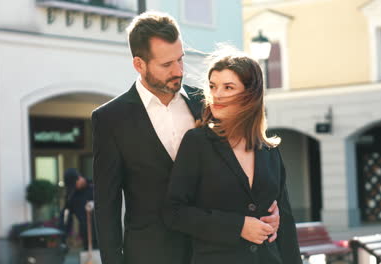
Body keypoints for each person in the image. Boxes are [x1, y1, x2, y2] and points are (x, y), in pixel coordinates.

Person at [91, 11, 280, 264]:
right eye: (167, 65)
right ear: (139, 64)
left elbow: (242, 166)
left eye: (181, 59)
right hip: (151, 254)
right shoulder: (110, 119)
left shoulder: (209, 104)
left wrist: (270, 208)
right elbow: (107, 205)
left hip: (212, 251)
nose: (178, 70)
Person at [163, 51, 302, 264]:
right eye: (212, 86)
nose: (216, 94)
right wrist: (238, 227)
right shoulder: (197, 142)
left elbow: (286, 221)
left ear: (250, 95)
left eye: (228, 87)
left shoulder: (269, 149)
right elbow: (174, 212)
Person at [60, 168, 97, 250]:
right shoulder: (72, 196)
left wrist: (95, 203)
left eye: (75, 184)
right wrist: (63, 238)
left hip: (102, 232)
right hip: (86, 234)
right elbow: (66, 217)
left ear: (79, 178)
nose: (75, 187)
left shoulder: (94, 186)